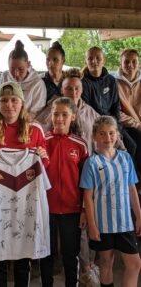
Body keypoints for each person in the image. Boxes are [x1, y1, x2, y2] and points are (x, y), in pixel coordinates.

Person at [0, 81, 49, 287]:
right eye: (4, 100)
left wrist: (43, 157)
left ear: (22, 103)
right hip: (0, 202)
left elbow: (43, 166)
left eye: (14, 100)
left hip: (26, 204)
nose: (9, 105)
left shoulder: (35, 130)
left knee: (23, 259)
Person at [80, 115, 141, 287]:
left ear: (117, 135)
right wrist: (92, 225)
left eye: (111, 133)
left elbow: (132, 189)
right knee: (106, 263)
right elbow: (88, 197)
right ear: (94, 136)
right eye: (102, 134)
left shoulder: (125, 158)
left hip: (125, 223)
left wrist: (139, 215)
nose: (108, 138)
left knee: (135, 264)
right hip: (103, 224)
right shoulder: (91, 162)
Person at [39, 97, 88, 287]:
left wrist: (84, 209)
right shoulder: (42, 141)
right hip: (46, 209)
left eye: (64, 115)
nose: (59, 119)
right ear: (51, 116)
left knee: (70, 255)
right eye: (56, 114)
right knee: (46, 255)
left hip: (72, 210)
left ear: (73, 117)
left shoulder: (80, 145)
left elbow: (87, 182)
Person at [81, 46, 135, 158]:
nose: (94, 61)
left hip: (112, 124)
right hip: (95, 126)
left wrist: (117, 128)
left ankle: (129, 174)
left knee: (132, 146)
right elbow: (87, 111)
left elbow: (116, 107)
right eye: (90, 59)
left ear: (103, 60)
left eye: (98, 58)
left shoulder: (111, 80)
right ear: (85, 61)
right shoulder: (83, 83)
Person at [37, 68, 100, 153]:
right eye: (68, 89)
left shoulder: (90, 113)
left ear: (82, 90)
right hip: (60, 159)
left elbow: (108, 131)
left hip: (85, 160)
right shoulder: (51, 110)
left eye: (77, 88)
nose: (73, 92)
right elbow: (39, 131)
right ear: (62, 90)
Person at [0, 40, 47, 119]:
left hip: (28, 124)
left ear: (28, 64)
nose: (16, 74)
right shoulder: (4, 77)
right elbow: (0, 101)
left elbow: (36, 113)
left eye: (21, 69)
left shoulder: (37, 83)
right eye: (12, 69)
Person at [115, 49, 141, 174]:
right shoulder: (114, 82)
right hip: (125, 125)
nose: (130, 65)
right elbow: (116, 110)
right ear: (121, 63)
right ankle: (135, 185)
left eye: (134, 62)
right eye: (126, 62)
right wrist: (136, 124)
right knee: (133, 146)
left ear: (139, 63)